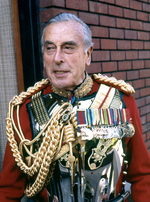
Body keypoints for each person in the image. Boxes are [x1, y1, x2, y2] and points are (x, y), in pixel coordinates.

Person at [0, 12, 150, 202]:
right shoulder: (26, 109)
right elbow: (8, 190)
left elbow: (142, 176)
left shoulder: (121, 101)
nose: (57, 58)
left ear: (88, 54)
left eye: (68, 48)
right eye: (50, 48)